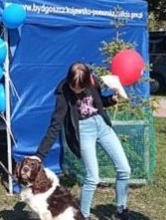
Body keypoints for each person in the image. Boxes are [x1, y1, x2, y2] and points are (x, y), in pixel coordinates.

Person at [33, 62, 131, 220]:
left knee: (125, 170)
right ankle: (83, 216)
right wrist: (39, 154)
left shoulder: (93, 82)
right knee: (93, 177)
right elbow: (55, 125)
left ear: (87, 81)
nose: (77, 90)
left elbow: (98, 104)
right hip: (84, 131)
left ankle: (121, 211)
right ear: (69, 81)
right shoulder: (63, 93)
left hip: (102, 126)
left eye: (80, 87)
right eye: (74, 86)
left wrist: (111, 99)